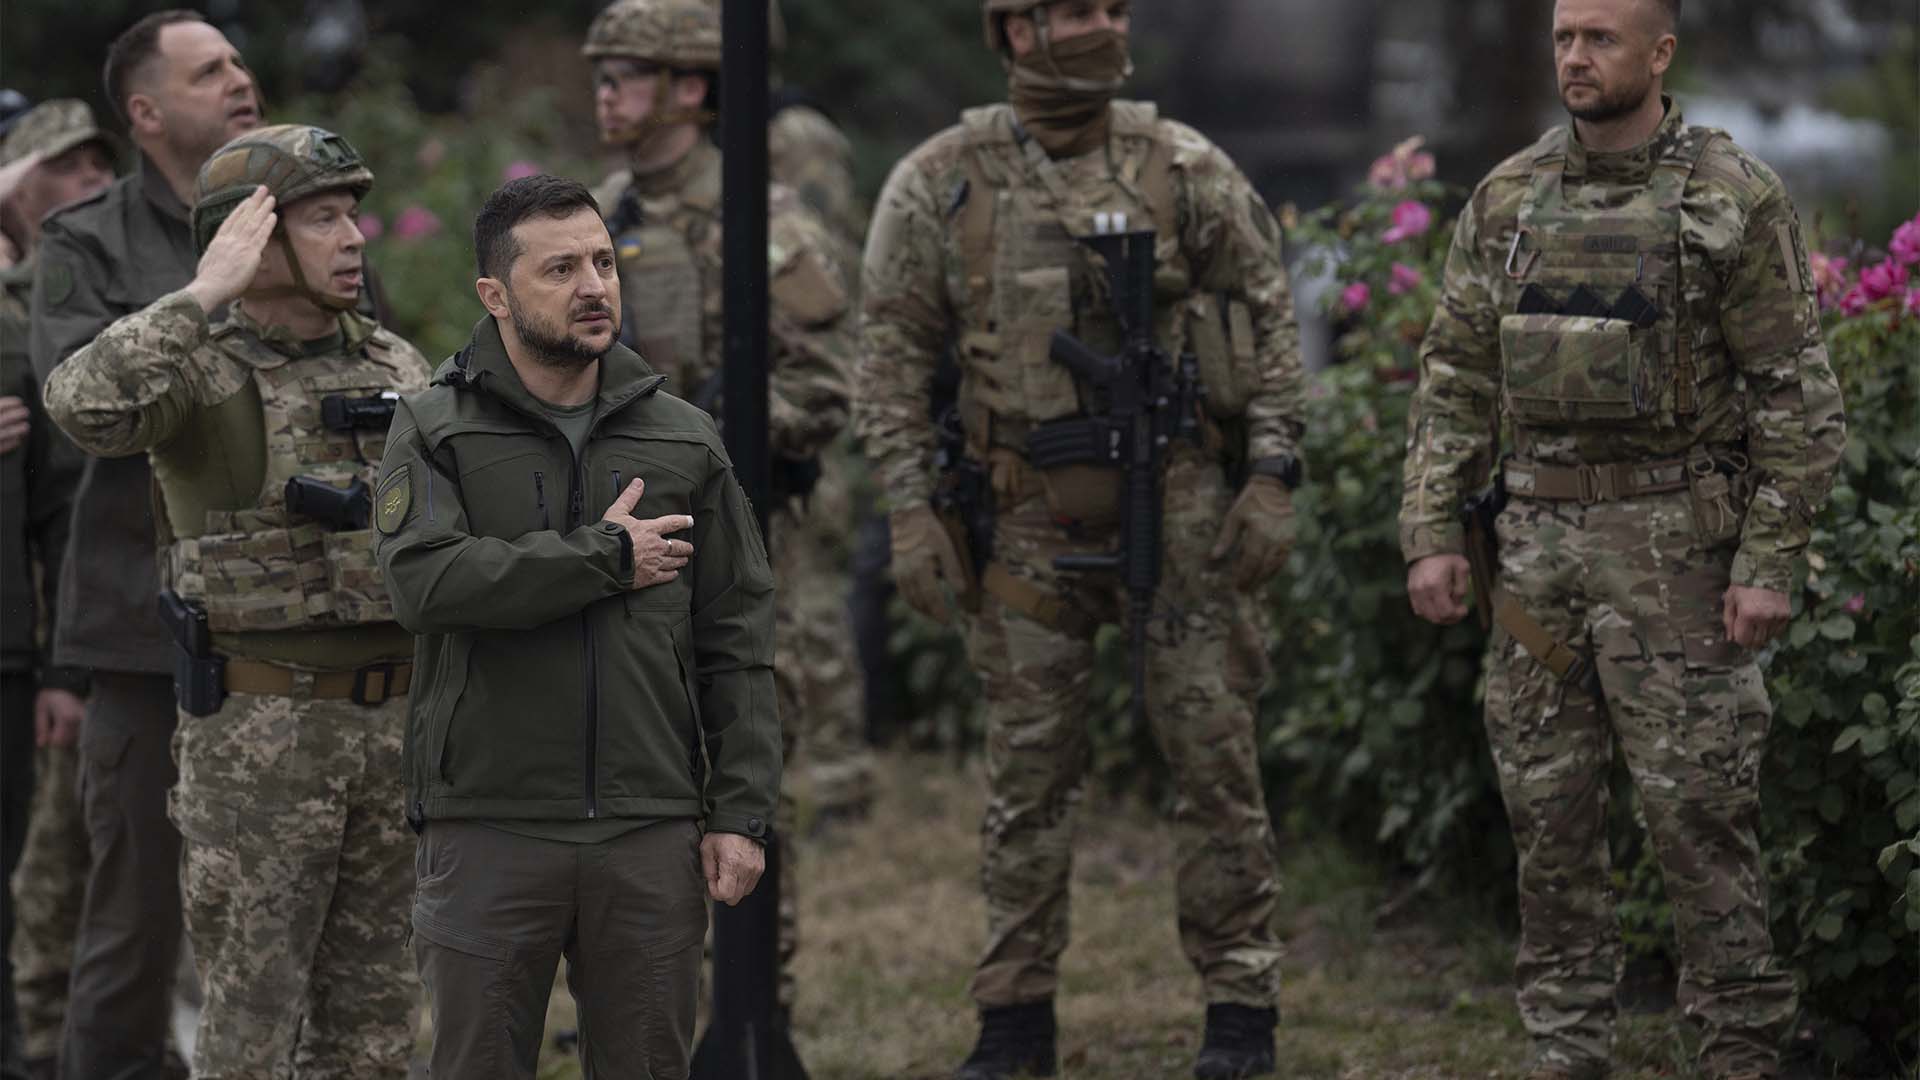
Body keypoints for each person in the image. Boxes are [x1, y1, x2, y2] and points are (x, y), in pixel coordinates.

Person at [854, 0, 1306, 1075]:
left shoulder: (1185, 165)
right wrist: (911, 509)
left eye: (1112, 9)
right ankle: (1014, 1019)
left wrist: (1274, 474)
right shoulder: (940, 179)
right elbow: (889, 354)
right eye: (1072, 12)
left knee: (1214, 762)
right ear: (1013, 32)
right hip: (1022, 520)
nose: (1102, 28)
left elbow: (1271, 316)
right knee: (1027, 777)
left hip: (1186, 507)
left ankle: (1241, 1011)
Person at [1398, 0, 1846, 1076]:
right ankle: (1567, 1053)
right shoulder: (1508, 196)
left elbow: (1797, 399)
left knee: (1701, 822)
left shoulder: (1730, 195)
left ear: (1658, 52)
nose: (1575, 57)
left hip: (1678, 558)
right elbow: (1454, 376)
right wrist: (1429, 530)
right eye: (1563, 36)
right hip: (1536, 556)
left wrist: (1768, 562)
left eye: (1601, 37)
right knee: (1548, 821)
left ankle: (1738, 1050)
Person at [44, 123, 429, 1078]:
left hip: (398, 735)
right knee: (251, 1029)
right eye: (324, 218)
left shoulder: (397, 367)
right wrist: (202, 293)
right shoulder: (199, 363)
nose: (354, 240)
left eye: (354, 216)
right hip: (263, 737)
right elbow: (80, 404)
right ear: (249, 237)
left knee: (375, 1034)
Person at [378, 173, 781, 1078]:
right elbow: (425, 584)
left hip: (648, 829)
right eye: (560, 268)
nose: (594, 285)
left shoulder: (683, 437)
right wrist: (604, 557)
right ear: (496, 294)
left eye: (603, 261)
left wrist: (743, 810)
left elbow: (738, 635)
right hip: (487, 821)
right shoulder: (435, 426)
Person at [582, 0, 853, 1010]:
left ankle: (749, 995)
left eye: (629, 72)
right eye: (602, 72)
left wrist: (720, 428)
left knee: (736, 767)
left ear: (693, 88)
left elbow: (829, 383)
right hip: (609, 545)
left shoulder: (766, 221)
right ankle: (639, 992)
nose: (605, 89)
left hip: (734, 539)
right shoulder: (597, 216)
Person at [27, 13, 260, 1075]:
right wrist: (205, 297)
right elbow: (85, 404)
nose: (240, 81)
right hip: (140, 635)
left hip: (288, 628)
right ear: (147, 111)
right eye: (211, 71)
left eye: (239, 62)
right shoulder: (85, 241)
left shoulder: (294, 215)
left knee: (285, 912)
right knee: (134, 924)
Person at [0, 99, 112, 1080]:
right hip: (38, 648)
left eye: (95, 167)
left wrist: (62, 664)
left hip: (57, 647)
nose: (89, 185)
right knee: (40, 881)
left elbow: (66, 503)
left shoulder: (88, 303)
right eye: (61, 167)